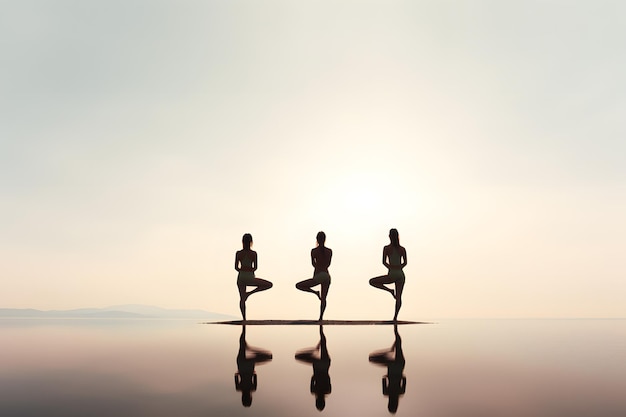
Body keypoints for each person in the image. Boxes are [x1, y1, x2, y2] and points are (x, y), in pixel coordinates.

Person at [369, 228, 407, 321]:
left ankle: (390, 290)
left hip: (393, 274)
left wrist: (391, 267)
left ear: (389, 236)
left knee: (372, 281)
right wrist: (398, 267)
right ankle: (395, 318)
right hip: (400, 274)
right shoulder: (402, 249)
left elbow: (384, 262)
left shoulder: (387, 248)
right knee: (398, 297)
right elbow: (405, 263)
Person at [368, 325, 406, 413]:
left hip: (399, 366)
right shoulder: (386, 392)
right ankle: (395, 332)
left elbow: (404, 379)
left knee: (399, 346)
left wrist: (399, 375)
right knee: (371, 358)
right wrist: (388, 375)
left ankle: (396, 332)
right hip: (391, 367)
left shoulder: (401, 392)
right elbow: (383, 379)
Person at [235, 233, 273, 321]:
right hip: (249, 277)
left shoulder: (239, 253)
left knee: (242, 298)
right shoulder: (254, 253)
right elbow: (255, 268)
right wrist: (249, 269)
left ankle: (244, 318)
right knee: (268, 284)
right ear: (251, 242)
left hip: (241, 277)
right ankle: (249, 294)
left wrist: (243, 269)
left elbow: (236, 267)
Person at [296, 231, 332, 321]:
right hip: (327, 276)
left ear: (317, 240)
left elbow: (313, 264)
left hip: (319, 275)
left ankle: (315, 292)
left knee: (299, 285)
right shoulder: (329, 251)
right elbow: (328, 264)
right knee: (324, 298)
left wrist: (318, 269)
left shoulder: (314, 251)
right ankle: (321, 317)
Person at [234, 325, 273, 407]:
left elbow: (255, 376)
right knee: (241, 347)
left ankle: (250, 348)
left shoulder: (253, 388)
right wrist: (238, 373)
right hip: (241, 366)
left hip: (249, 366)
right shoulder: (239, 388)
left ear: (250, 397)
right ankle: (243, 331)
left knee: (269, 356)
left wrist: (253, 373)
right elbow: (235, 376)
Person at [295, 325, 331, 411]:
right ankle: (317, 345)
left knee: (324, 345)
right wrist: (317, 376)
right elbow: (312, 378)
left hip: (325, 365)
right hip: (318, 367)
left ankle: (321, 333)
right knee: (298, 356)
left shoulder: (328, 391)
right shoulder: (314, 391)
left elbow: (328, 378)